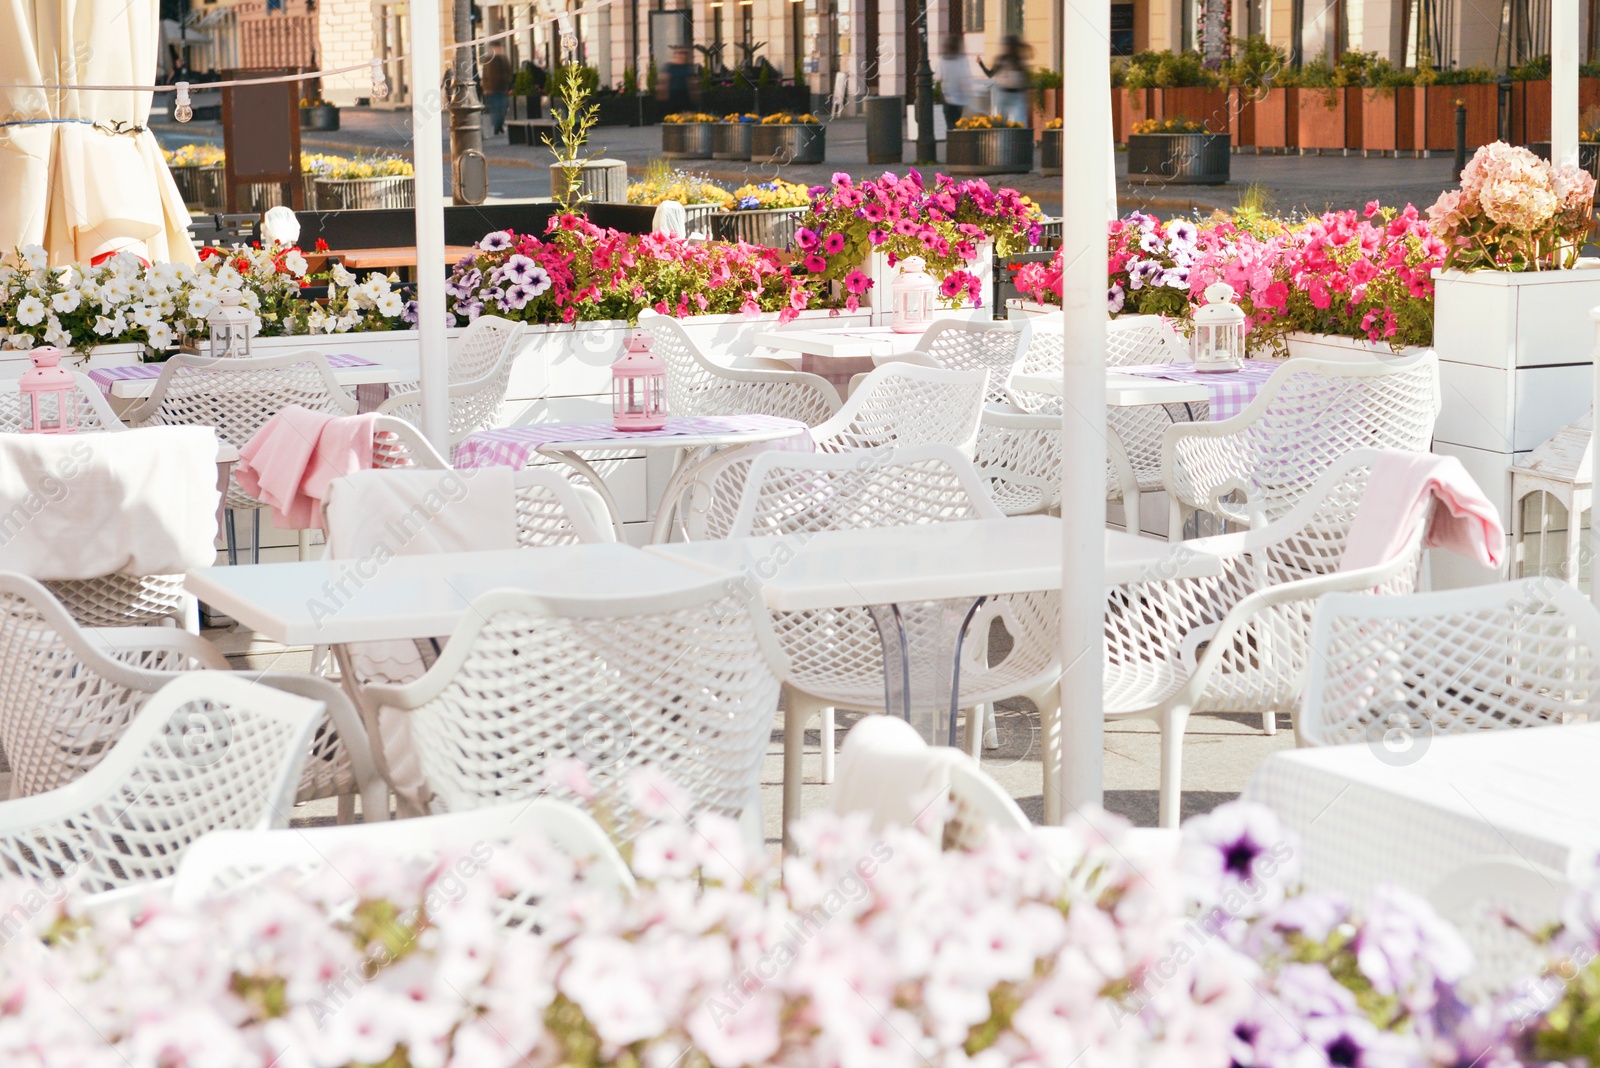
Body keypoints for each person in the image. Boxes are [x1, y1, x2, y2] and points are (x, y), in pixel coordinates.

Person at [979, 35, 1032, 126]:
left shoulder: (1019, 61)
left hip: (1017, 93)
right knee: (1001, 120)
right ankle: (1003, 138)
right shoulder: (1002, 59)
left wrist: (1027, 97)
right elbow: (990, 74)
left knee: (1020, 119)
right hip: (1004, 92)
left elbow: (1024, 80)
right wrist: (981, 63)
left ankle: (1021, 138)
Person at [937, 34, 971, 132]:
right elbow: (966, 77)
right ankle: (957, 141)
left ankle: (951, 141)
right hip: (960, 97)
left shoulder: (941, 60)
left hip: (947, 96)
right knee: (957, 121)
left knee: (949, 122)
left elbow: (938, 77)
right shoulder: (963, 59)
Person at [480, 41, 513, 136]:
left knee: (502, 108)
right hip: (491, 90)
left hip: (502, 89)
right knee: (495, 109)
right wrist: (485, 88)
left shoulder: (503, 59)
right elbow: (484, 75)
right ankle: (497, 126)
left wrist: (507, 83)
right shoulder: (488, 59)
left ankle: (498, 125)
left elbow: (509, 71)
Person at [666, 45, 694, 112]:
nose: (682, 55)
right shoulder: (670, 67)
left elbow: (692, 83)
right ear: (675, 55)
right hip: (673, 96)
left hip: (685, 96)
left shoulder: (688, 67)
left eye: (684, 53)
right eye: (679, 53)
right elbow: (664, 82)